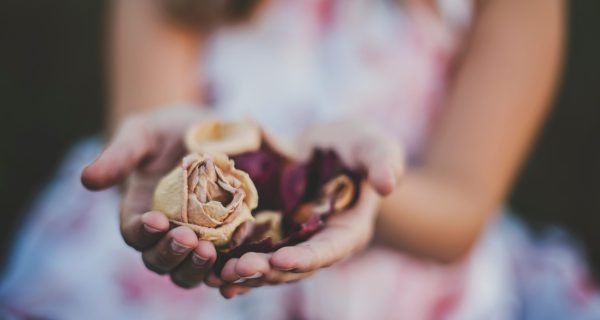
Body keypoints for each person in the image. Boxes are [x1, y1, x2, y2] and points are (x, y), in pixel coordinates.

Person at [5, 0, 598, 319]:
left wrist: (355, 191)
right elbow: (143, 133)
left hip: (395, 294)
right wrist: (167, 163)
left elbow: (461, 210)